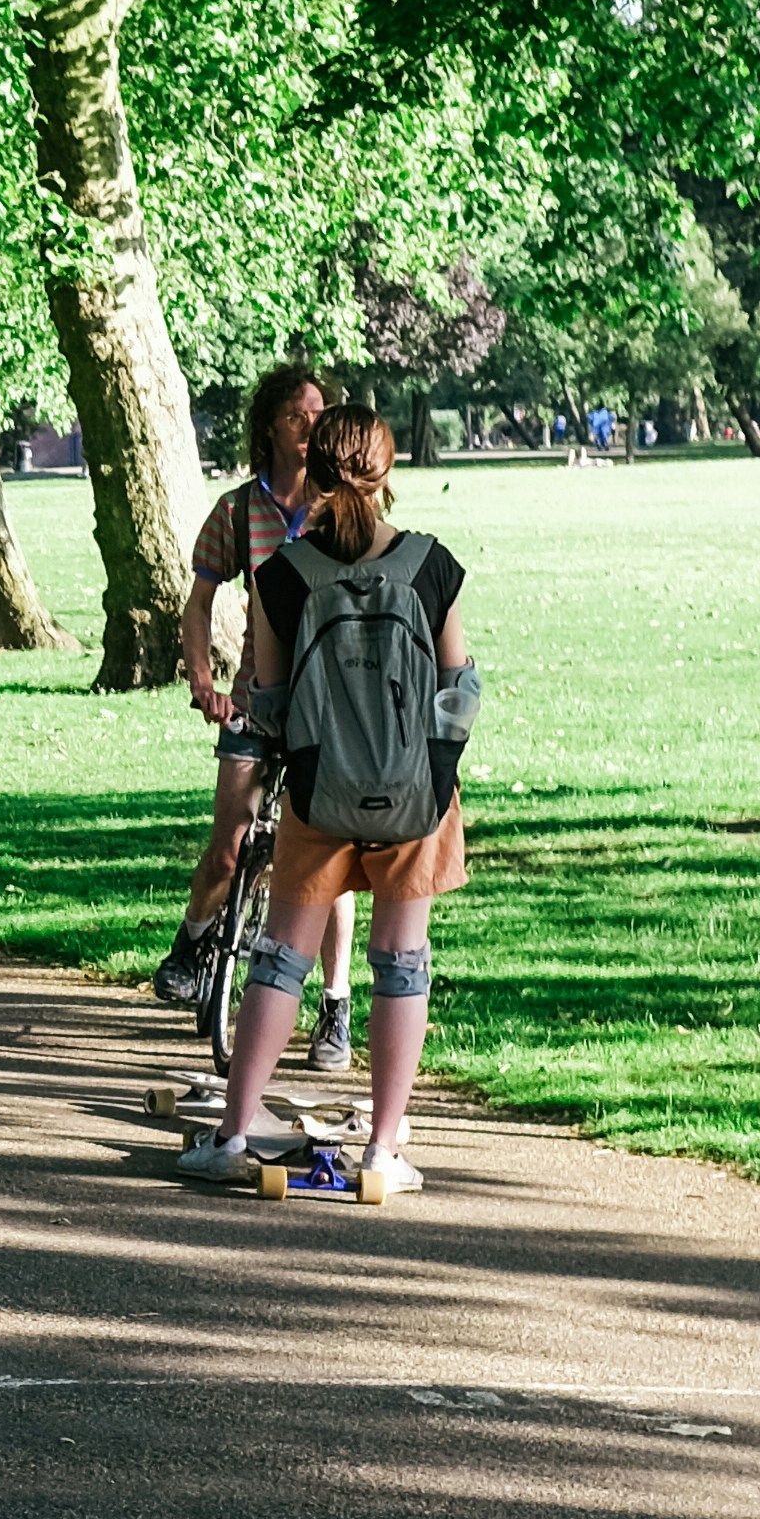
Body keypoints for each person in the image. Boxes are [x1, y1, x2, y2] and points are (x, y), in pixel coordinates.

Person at [179, 401, 477, 1205]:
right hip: (414, 799)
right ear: (387, 472)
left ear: (311, 471)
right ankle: (383, 1149)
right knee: (401, 962)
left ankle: (231, 1136)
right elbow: (459, 688)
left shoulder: (282, 576)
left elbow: (270, 698)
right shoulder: (432, 566)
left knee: (282, 957)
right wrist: (431, 770)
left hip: (318, 795)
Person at [152, 365, 357, 1070]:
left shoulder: (340, 508)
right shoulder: (239, 510)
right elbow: (199, 601)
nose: (311, 427)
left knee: (329, 865)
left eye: (319, 415)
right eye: (298, 415)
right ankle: (194, 940)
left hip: (325, 709)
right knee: (229, 844)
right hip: (255, 700)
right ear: (270, 425)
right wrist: (203, 680)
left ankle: (336, 1005)